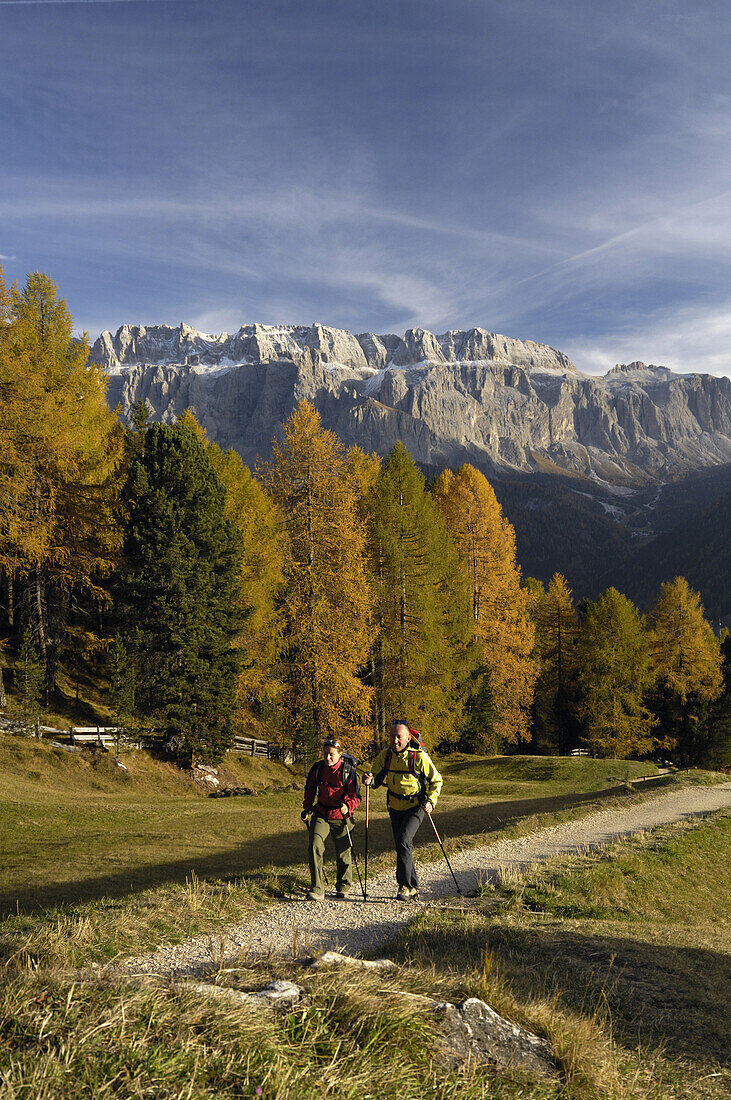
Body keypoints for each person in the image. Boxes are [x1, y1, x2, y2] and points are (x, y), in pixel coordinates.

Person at [363, 719, 442, 901]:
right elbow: (376, 779)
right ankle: (413, 886)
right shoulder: (386, 756)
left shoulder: (419, 757)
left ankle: (404, 885)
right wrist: (369, 780)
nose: (395, 740)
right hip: (395, 807)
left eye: (399, 737)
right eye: (392, 736)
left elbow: (437, 780)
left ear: (408, 738)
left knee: (403, 840)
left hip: (416, 806)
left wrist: (431, 800)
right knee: (402, 845)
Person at [301, 736, 361, 901]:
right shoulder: (318, 768)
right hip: (321, 813)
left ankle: (343, 886)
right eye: (325, 753)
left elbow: (356, 796)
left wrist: (348, 806)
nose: (327, 757)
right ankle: (317, 888)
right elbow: (310, 789)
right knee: (314, 846)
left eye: (331, 754)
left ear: (340, 755)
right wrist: (307, 808)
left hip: (341, 816)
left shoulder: (347, 771)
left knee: (343, 853)